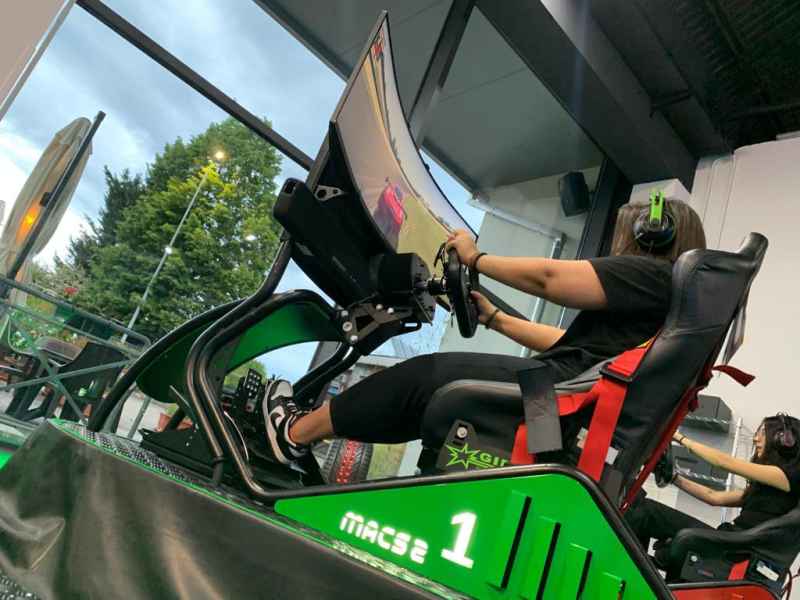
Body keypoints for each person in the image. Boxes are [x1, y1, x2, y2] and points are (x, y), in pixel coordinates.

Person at [262, 200, 707, 465]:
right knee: (436, 402)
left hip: (553, 400)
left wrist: (477, 259)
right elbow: (573, 347)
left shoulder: (654, 276)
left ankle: (295, 433)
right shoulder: (666, 304)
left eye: (626, 235)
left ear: (654, 235)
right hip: (560, 408)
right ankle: (309, 434)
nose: (618, 245)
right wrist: (496, 319)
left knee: (428, 376)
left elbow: (549, 279)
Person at [626, 414, 800, 575]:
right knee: (641, 509)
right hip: (729, 542)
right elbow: (714, 497)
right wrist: (673, 478)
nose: (756, 439)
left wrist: (679, 437)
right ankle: (633, 571)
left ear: (782, 440)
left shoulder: (787, 477)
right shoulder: (770, 487)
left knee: (646, 512)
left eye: (762, 433)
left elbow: (723, 462)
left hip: (734, 549)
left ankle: (630, 571)